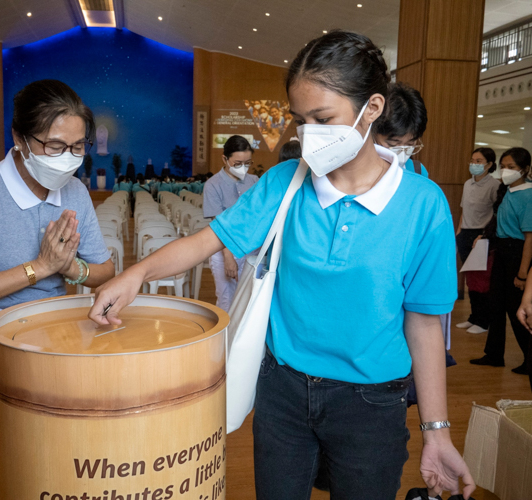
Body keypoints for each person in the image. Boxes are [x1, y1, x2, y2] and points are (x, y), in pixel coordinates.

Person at [88, 31, 475, 500]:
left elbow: (424, 322)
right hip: (283, 390)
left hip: (371, 402)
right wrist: (136, 274)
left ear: (372, 109)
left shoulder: (423, 205)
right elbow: (208, 239)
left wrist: (436, 430)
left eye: (323, 118)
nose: (308, 133)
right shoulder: (285, 184)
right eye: (299, 119)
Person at [0, 79, 115, 500]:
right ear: (19, 138)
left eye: (77, 147)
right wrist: (41, 267)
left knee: (49, 457)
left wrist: (73, 267)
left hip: (53, 331)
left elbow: (103, 270)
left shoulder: (76, 192)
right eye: (53, 146)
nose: (67, 159)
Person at [471, 147, 532, 375]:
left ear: (525, 170)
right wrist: (484, 235)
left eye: (512, 168)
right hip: (502, 251)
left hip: (518, 254)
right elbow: (498, 221)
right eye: (504, 166)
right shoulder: (507, 191)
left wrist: (523, 274)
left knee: (516, 309)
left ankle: (529, 358)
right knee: (495, 304)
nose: (506, 171)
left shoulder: (528, 195)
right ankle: (494, 354)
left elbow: (529, 239)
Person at [202, 135, 258, 311]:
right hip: (224, 249)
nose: (243, 168)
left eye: (247, 163)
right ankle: (226, 338)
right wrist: (228, 257)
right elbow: (218, 225)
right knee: (227, 300)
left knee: (250, 300)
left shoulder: (254, 181)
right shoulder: (213, 185)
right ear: (225, 159)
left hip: (251, 249)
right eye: (237, 163)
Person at [455, 148, 500, 334]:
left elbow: (496, 214)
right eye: (472, 160)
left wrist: (485, 235)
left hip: (482, 236)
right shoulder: (467, 183)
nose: (474, 164)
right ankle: (474, 317)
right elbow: (464, 210)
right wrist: (458, 234)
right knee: (470, 280)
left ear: (489, 164)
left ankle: (483, 321)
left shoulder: (495, 185)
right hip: (465, 233)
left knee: (482, 280)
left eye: (479, 161)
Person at [373, 82, 428, 177]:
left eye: (409, 145)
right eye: (393, 144)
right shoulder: (354, 173)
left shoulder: (417, 171)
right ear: (372, 132)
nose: (402, 157)